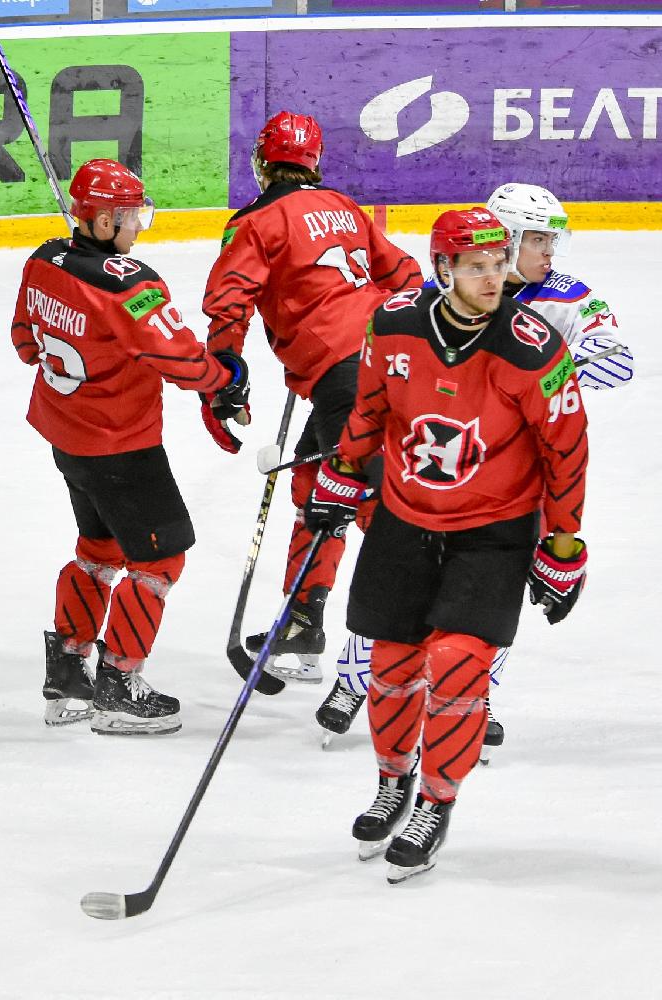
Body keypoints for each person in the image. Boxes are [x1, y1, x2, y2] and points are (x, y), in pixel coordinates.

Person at [303, 208, 589, 883]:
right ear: (443, 269)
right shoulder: (394, 323)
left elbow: (566, 449)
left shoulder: (533, 348)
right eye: (476, 267)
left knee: (458, 663)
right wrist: (344, 470)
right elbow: (371, 406)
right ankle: (392, 781)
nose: (493, 278)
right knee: (392, 663)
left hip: (494, 530)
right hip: (405, 517)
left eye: (499, 263)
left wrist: (563, 541)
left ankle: (435, 803)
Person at [314, 182, 631, 756]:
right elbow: (390, 371)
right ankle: (354, 680)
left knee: (497, 591)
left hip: (511, 476)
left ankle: (475, 692)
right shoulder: (443, 294)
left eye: (550, 240)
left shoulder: (566, 297)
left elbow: (618, 362)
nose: (549, 252)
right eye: (537, 239)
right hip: (429, 463)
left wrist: (542, 377)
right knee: (396, 581)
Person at [12, 158, 245, 736]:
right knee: (160, 558)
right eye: (131, 215)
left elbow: (24, 343)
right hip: (121, 446)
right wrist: (226, 379)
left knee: (99, 549)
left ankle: (69, 677)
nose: (138, 226)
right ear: (104, 220)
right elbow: (179, 359)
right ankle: (119, 684)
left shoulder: (42, 261)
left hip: (67, 437)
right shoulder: (129, 284)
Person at [202, 111, 422, 690]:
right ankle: (303, 622)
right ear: (314, 162)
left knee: (373, 501)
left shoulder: (254, 222)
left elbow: (229, 303)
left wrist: (224, 378)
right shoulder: (344, 206)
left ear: (261, 163)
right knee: (313, 483)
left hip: (345, 377)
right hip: (388, 360)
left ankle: (422, 640)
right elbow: (406, 276)